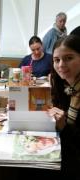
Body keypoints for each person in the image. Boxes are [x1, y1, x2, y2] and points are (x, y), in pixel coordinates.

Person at [48, 35, 80, 179]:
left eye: (68, 58)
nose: (61, 65)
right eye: (57, 60)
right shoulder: (65, 86)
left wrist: (63, 128)